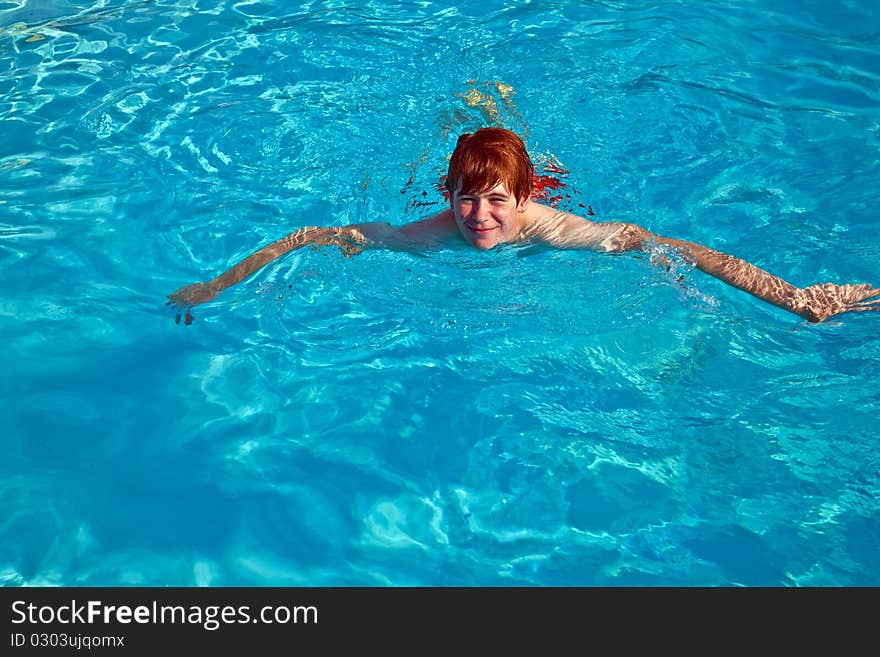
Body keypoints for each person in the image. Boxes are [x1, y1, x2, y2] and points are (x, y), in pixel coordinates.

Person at [167, 127, 879, 325]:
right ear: (449, 196)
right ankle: (472, 122)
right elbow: (310, 236)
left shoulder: (544, 224)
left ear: (524, 198)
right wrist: (217, 283)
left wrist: (793, 295)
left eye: (497, 200)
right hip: (460, 178)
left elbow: (662, 245)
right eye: (467, 200)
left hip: (549, 185)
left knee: (560, 182)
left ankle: (511, 128)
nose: (480, 218)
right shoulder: (433, 231)